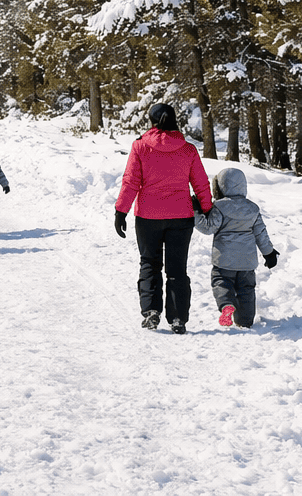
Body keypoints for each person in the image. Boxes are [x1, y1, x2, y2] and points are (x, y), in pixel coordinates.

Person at [114, 103, 212, 334]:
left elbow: (131, 181)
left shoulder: (140, 147)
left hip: (148, 217)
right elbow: (200, 182)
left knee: (150, 263)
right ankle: (178, 318)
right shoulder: (188, 150)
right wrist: (206, 207)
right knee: (177, 270)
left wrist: (121, 211)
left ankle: (151, 312)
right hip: (181, 217)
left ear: (151, 121)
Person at [195, 166, 278, 328]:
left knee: (221, 282)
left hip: (224, 260)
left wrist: (196, 213)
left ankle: (226, 305)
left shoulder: (219, 207)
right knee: (246, 290)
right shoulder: (252, 208)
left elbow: (208, 228)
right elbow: (261, 233)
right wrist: (269, 253)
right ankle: (245, 321)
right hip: (247, 262)